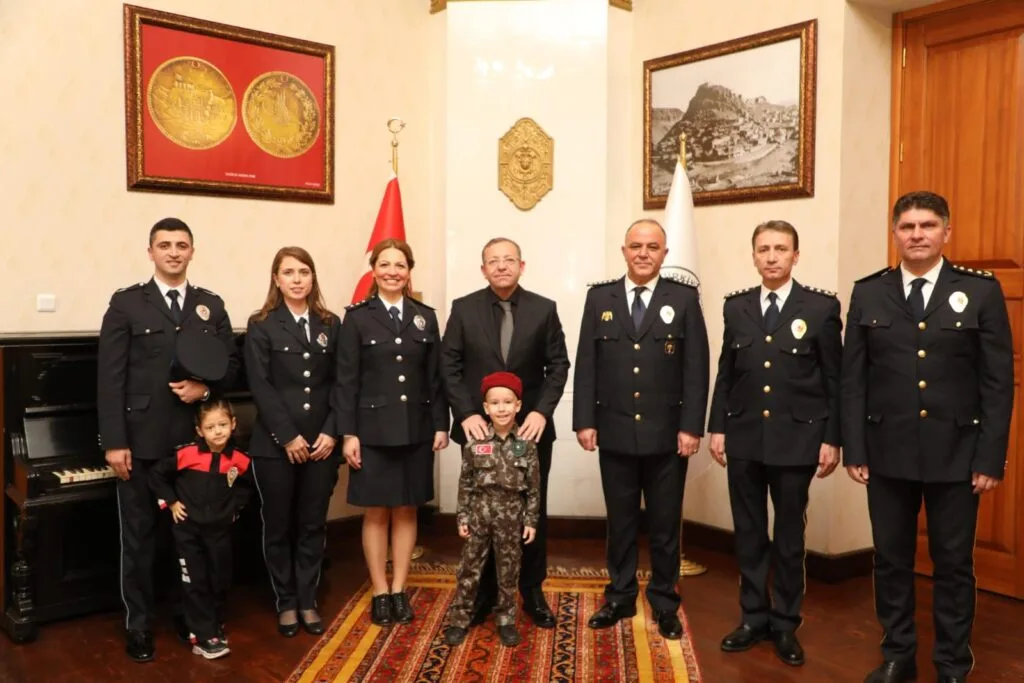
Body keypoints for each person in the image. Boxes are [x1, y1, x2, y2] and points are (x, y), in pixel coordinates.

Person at [841, 191, 1013, 683]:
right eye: (907, 226)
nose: (917, 234)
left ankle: (952, 663)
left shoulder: (979, 291)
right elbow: (854, 380)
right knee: (890, 560)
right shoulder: (869, 292)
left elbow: (997, 382)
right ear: (895, 233)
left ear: (946, 232)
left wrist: (990, 457)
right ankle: (898, 655)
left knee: (953, 563)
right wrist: (855, 447)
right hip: (886, 452)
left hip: (957, 454)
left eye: (928, 225)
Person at [98, 217, 239, 663]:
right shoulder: (127, 303)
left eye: (181, 245)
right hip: (141, 442)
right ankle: (139, 625)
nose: (173, 252)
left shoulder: (210, 305)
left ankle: (187, 615)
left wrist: (206, 390)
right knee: (139, 540)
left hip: (194, 449)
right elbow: (110, 377)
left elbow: (231, 367)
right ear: (151, 252)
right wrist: (115, 441)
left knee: (188, 539)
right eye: (165, 245)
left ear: (192, 251)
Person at [707, 220, 842, 667]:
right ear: (753, 256)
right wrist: (718, 426)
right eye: (763, 249)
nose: (771, 257)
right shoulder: (736, 307)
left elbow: (834, 379)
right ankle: (753, 618)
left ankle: (785, 623)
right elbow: (727, 373)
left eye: (780, 249)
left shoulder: (820, 308)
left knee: (787, 538)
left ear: (795, 256)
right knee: (748, 533)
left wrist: (832, 438)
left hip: (797, 439)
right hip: (744, 436)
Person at [572, 218, 710, 640]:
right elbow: (587, 363)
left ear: (665, 253)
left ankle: (665, 601)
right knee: (621, 522)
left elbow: (696, 368)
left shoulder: (683, 298)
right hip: (614, 430)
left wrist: (691, 427)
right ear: (624, 251)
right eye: (636, 246)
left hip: (667, 435)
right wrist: (585, 421)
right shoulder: (601, 298)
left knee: (665, 525)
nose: (644, 253)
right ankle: (619, 597)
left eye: (652, 247)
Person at [441, 237, 569, 628]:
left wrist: (542, 413)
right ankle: (483, 595)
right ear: (483, 269)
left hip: (528, 433)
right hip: (478, 431)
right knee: (483, 513)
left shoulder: (544, 309)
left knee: (529, 511)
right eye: (493, 261)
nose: (501, 266)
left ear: (521, 265)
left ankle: (531, 591)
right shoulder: (463, 309)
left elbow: (558, 366)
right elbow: (448, 365)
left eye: (508, 259)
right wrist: (465, 414)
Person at [337, 239, 450, 626]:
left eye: (400, 265)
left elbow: (435, 378)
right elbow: (346, 381)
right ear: (374, 270)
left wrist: (440, 424)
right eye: (384, 265)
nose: (392, 272)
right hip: (371, 431)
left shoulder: (425, 317)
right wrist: (348, 433)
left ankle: (400, 588)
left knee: (406, 509)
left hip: (417, 428)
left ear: (409, 271)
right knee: (376, 511)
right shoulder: (357, 318)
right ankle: (380, 591)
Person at [245, 247, 341, 637]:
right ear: (276, 279)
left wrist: (331, 431)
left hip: (321, 445)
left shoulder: (331, 323)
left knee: (312, 523)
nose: (297, 279)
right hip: (275, 446)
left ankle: (307, 598)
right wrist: (287, 436)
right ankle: (285, 600)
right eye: (289, 272)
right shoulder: (262, 324)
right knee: (279, 525)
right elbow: (260, 385)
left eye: (304, 272)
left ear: (313, 277)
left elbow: (341, 382)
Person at [443, 371, 540, 648]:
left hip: (512, 515)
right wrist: (462, 516)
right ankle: (459, 619)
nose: (502, 408)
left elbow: (534, 487)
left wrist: (531, 520)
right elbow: (466, 482)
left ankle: (506, 619)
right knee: (469, 568)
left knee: (508, 569)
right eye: (495, 403)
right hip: (479, 514)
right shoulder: (476, 442)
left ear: (518, 405)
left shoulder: (526, 444)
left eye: (508, 402)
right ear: (485, 407)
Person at [149, 400, 252, 660]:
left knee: (219, 579)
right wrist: (171, 502)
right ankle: (202, 635)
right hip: (188, 532)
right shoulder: (187, 454)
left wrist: (234, 510)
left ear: (233, 424)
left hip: (219, 532)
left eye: (222, 425)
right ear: (199, 430)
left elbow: (245, 487)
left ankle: (213, 624)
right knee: (195, 581)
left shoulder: (239, 459)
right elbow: (157, 475)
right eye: (210, 427)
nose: (217, 432)